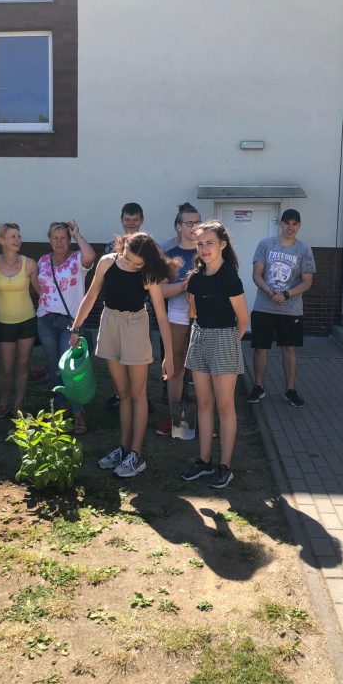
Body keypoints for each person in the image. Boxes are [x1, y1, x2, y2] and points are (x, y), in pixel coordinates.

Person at [69, 232, 177, 478]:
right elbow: (91, 295)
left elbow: (162, 317)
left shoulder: (149, 273)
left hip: (136, 326)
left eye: (137, 263)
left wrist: (168, 356)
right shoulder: (107, 262)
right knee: (123, 393)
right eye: (128, 258)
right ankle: (123, 449)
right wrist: (76, 328)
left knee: (138, 394)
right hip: (109, 323)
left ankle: (136, 455)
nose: (131, 264)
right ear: (122, 247)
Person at [182, 221, 248, 488]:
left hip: (225, 340)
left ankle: (225, 466)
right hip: (200, 338)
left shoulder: (230, 277)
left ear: (222, 244)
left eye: (209, 243)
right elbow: (193, 313)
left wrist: (229, 343)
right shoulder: (195, 278)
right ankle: (204, 461)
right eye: (200, 243)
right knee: (204, 404)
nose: (204, 248)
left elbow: (243, 320)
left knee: (225, 406)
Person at [247, 209, 316, 408]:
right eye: (287, 223)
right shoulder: (266, 244)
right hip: (264, 306)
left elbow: (307, 281)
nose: (290, 227)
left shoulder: (304, 249)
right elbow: (257, 275)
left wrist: (286, 294)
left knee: (289, 349)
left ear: (299, 226)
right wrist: (269, 291)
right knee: (260, 347)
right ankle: (258, 386)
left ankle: (290, 390)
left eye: (294, 224)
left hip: (291, 309)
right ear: (281, 224)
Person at [36, 221, 95, 435]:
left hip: (70, 323)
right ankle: (60, 412)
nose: (59, 241)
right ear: (49, 240)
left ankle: (78, 413)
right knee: (54, 368)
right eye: (55, 238)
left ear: (69, 241)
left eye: (63, 238)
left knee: (69, 369)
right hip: (45, 320)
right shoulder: (43, 260)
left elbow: (90, 256)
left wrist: (78, 234)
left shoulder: (77, 259)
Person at [0, 223, 39, 416]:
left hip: (27, 321)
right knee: (7, 367)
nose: (17, 240)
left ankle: (18, 406)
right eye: (12, 236)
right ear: (1, 240)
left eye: (19, 236)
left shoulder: (29, 263)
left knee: (23, 365)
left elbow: (41, 291)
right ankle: (3, 403)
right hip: (3, 322)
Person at [156, 203, 201, 436]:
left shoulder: (207, 251)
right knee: (175, 371)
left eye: (198, 222)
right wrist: (184, 285)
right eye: (189, 223)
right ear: (178, 226)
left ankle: (203, 419)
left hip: (204, 321)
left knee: (203, 373)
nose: (195, 227)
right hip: (177, 320)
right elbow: (160, 291)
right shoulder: (169, 254)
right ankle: (175, 418)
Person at [103, 202, 145, 411]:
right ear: (121, 220)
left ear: (141, 221)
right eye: (127, 219)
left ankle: (140, 397)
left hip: (140, 311)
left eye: (135, 219)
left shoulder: (148, 246)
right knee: (116, 357)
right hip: (115, 310)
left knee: (138, 359)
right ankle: (118, 394)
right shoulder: (111, 247)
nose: (131, 223)